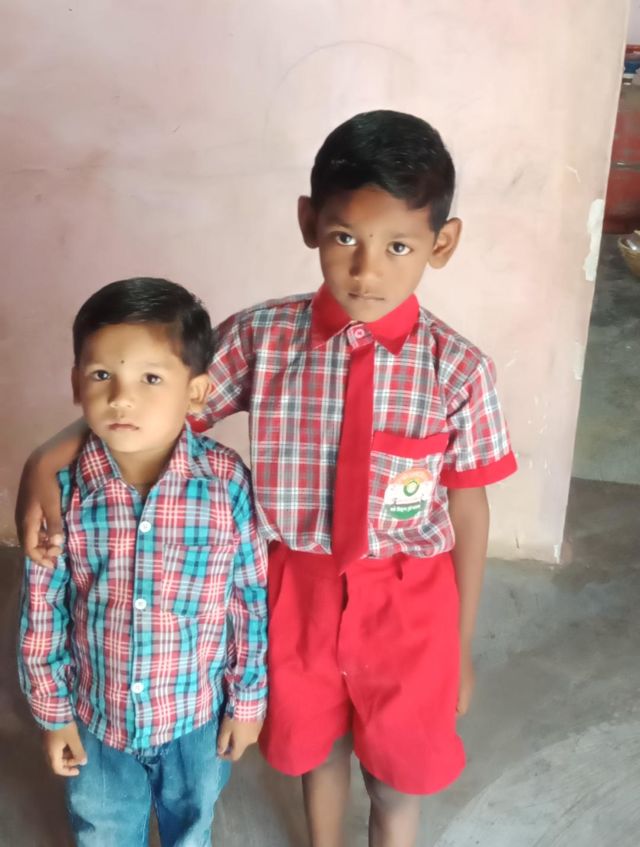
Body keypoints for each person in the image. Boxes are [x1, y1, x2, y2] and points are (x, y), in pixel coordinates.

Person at [17, 111, 516, 847]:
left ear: (441, 244)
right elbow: (158, 405)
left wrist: (460, 644)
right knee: (315, 750)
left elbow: (468, 509)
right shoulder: (263, 337)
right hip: (294, 589)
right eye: (344, 238)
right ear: (309, 222)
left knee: (397, 776)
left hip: (409, 604)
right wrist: (46, 458)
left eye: (398, 246)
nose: (366, 270)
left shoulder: (459, 369)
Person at [17, 278, 268, 847]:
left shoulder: (226, 484)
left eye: (151, 379)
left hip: (195, 718)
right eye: (101, 375)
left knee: (192, 826)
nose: (121, 399)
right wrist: (54, 714)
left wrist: (247, 703)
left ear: (196, 391)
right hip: (98, 719)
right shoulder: (64, 491)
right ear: (76, 383)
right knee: (102, 830)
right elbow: (43, 610)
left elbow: (249, 601)